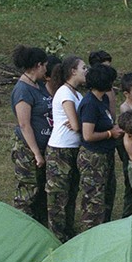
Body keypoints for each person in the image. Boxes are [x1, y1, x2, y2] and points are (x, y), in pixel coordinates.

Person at [46, 54, 86, 240]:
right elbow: (77, 125)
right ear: (73, 71)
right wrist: (78, 121)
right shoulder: (64, 93)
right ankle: (57, 235)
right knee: (58, 196)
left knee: (71, 192)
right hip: (60, 150)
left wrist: (78, 121)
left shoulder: (77, 94)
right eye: (83, 68)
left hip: (73, 148)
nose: (86, 71)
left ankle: (68, 231)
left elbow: (78, 122)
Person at [77, 63, 122, 231]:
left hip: (105, 155)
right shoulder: (90, 104)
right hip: (93, 158)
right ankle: (90, 233)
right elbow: (88, 135)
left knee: (107, 195)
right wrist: (110, 134)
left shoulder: (102, 99)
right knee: (93, 200)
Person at [10, 45, 51, 223]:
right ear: (38, 65)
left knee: (41, 191)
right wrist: (36, 153)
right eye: (45, 65)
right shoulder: (22, 90)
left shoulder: (39, 85)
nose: (46, 69)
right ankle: (21, 227)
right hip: (28, 150)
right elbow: (25, 124)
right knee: (28, 190)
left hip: (43, 147)